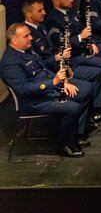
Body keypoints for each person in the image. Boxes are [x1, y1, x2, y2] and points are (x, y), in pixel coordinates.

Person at [1, 22, 94, 157]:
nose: (31, 38)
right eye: (26, 36)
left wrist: (63, 82)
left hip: (47, 88)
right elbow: (24, 90)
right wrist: (54, 82)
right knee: (72, 107)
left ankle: (75, 134)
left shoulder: (26, 50)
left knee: (86, 88)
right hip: (33, 101)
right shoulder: (10, 62)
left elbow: (42, 68)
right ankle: (64, 145)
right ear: (14, 40)